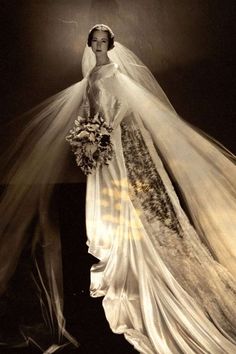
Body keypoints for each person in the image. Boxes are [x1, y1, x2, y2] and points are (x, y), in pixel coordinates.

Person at [1, 24, 236, 353]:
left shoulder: (112, 74)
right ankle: (113, 236)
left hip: (113, 148)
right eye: (94, 42)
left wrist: (105, 131)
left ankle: (131, 252)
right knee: (104, 202)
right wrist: (89, 135)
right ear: (89, 45)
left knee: (125, 201)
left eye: (103, 42)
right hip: (101, 150)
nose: (98, 46)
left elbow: (126, 107)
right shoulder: (91, 79)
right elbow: (90, 111)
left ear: (110, 45)